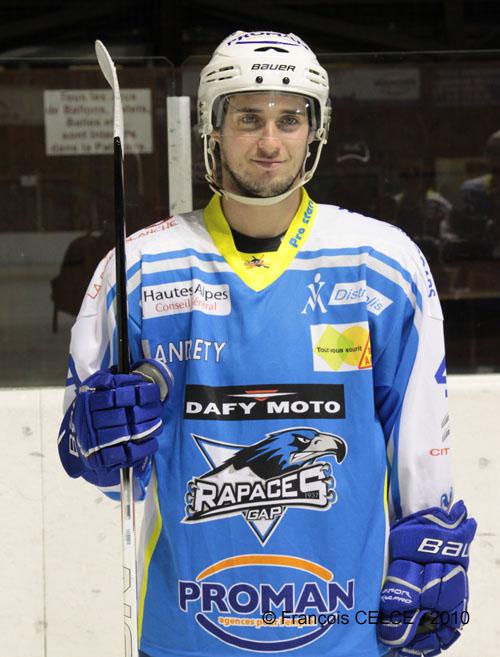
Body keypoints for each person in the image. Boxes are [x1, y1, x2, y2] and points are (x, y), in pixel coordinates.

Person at [57, 31, 476, 657]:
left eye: (289, 119)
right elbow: (98, 455)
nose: (270, 142)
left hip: (347, 635)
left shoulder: (381, 264)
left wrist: (429, 545)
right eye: (249, 118)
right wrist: (95, 439)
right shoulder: (140, 269)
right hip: (184, 635)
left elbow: (420, 440)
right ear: (213, 128)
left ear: (315, 130)